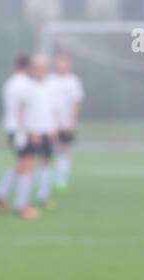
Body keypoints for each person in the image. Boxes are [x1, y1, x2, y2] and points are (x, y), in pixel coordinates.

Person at [0, 55, 40, 219]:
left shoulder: (10, 83)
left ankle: (0, 192)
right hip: (22, 130)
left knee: (22, 164)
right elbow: (21, 109)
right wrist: (27, 131)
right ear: (29, 67)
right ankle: (22, 206)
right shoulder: (25, 84)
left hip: (12, 129)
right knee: (28, 166)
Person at [25, 54, 58, 209]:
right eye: (38, 68)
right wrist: (31, 131)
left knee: (46, 162)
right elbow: (25, 111)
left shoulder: (52, 86)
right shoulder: (29, 86)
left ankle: (43, 195)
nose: (40, 71)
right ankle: (25, 197)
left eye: (43, 68)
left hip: (48, 130)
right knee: (28, 164)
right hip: (33, 131)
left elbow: (54, 109)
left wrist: (54, 128)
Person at [48, 53, 84, 191]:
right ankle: (49, 178)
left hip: (66, 123)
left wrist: (71, 122)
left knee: (64, 150)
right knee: (49, 151)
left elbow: (77, 103)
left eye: (65, 63)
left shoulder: (73, 81)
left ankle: (62, 179)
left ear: (69, 65)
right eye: (59, 62)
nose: (62, 65)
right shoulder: (50, 80)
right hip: (50, 123)